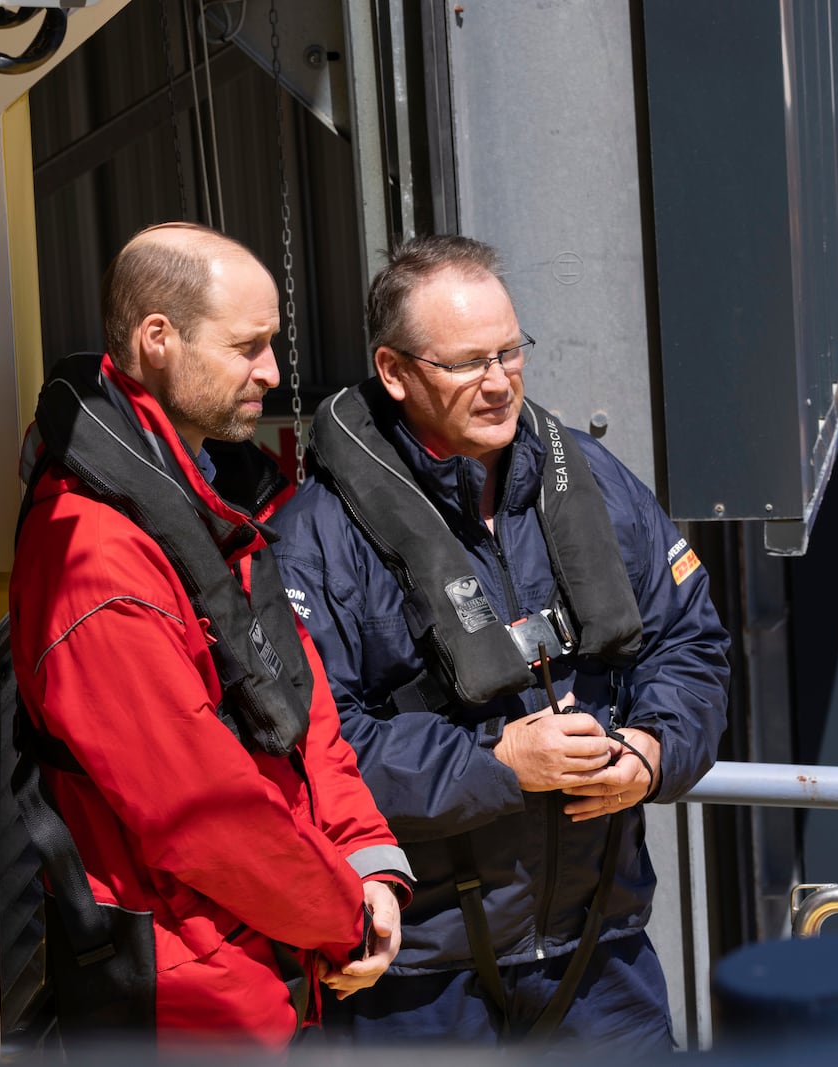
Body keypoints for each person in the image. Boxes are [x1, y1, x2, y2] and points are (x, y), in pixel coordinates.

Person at [272, 234, 730, 1048]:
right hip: (417, 983)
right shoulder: (317, 536)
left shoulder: (594, 481)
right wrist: (496, 766)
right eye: (466, 362)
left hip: (604, 963)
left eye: (510, 351)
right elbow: (313, 749)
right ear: (394, 371)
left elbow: (690, 645)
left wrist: (654, 750)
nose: (498, 381)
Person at [8, 222, 411, 1045]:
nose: (271, 371)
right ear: (159, 338)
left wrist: (370, 860)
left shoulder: (209, 506)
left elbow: (305, 716)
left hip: (264, 970)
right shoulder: (93, 555)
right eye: (248, 346)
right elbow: (199, 812)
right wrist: (341, 915)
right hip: (180, 1003)